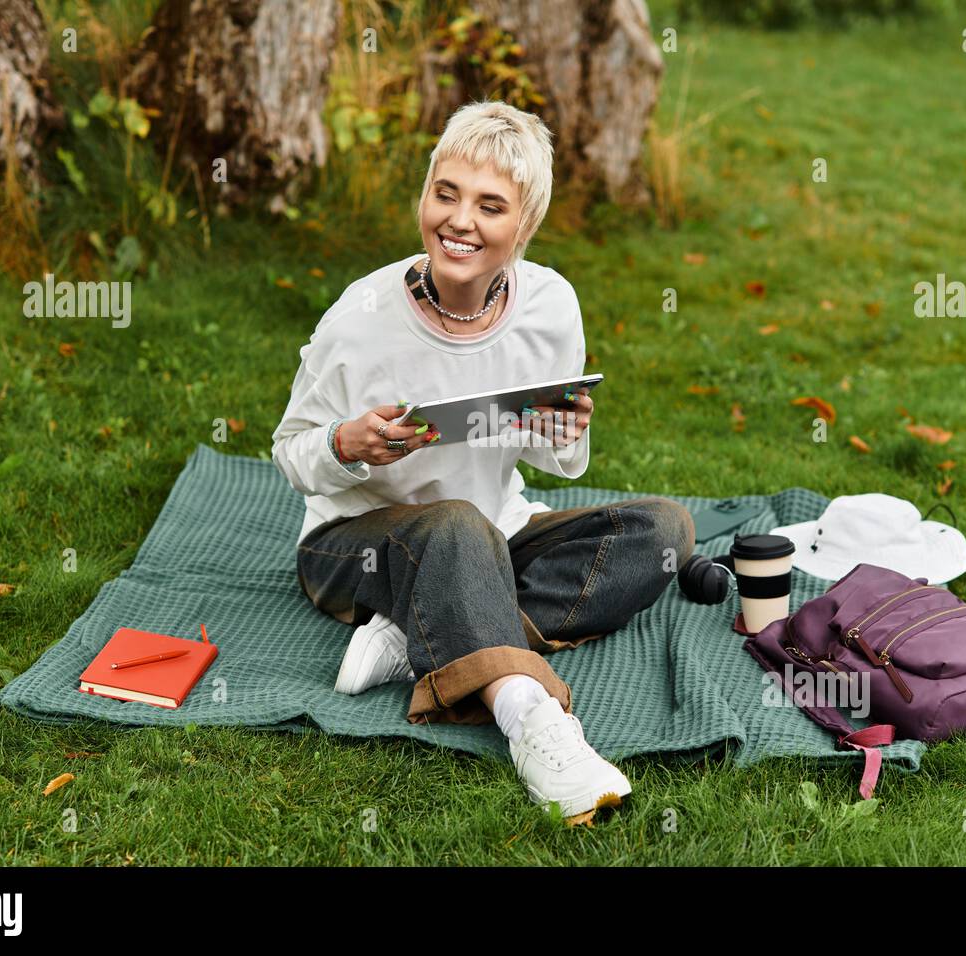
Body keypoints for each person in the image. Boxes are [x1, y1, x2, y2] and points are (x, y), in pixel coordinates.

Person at [271, 100, 695, 822]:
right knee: (457, 526)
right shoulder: (359, 318)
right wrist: (346, 445)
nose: (460, 221)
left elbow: (554, 460)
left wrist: (560, 431)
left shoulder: (551, 304)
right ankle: (532, 720)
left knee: (662, 533)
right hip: (355, 549)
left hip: (494, 534)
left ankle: (419, 635)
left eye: (490, 205)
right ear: (425, 195)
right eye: (446, 194)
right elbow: (290, 454)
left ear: (522, 227)